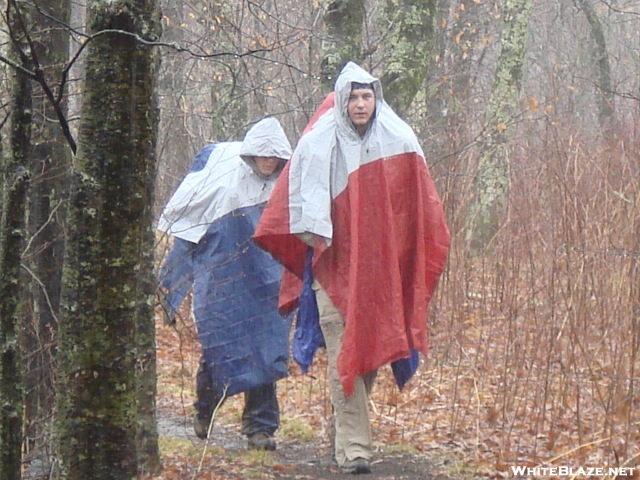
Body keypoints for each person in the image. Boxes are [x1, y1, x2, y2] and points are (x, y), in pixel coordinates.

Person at [254, 62, 450, 473]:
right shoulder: (317, 143)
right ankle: (355, 450)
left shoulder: (399, 139)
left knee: (370, 353)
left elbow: (419, 212)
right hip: (333, 271)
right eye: (354, 97)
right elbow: (297, 208)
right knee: (344, 350)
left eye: (367, 96)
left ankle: (343, 437)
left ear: (375, 97)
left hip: (382, 274)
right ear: (341, 100)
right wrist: (323, 244)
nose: (361, 104)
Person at [157, 117, 293, 451]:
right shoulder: (223, 185)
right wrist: (171, 288)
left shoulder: (289, 187)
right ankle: (206, 408)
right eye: (262, 154)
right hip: (223, 279)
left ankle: (260, 429)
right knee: (219, 346)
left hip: (269, 282)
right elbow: (188, 237)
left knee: (267, 351)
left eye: (274, 156)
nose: (268, 161)